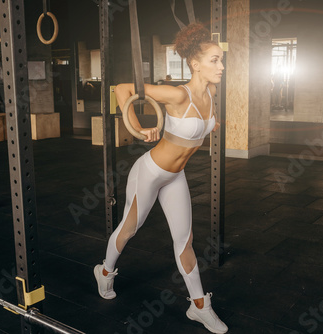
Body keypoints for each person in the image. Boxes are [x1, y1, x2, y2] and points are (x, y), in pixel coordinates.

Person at [93, 22, 228, 334]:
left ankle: (199, 307)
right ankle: (105, 270)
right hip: (150, 172)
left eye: (221, 60)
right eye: (214, 60)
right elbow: (123, 90)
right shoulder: (176, 95)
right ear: (195, 64)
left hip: (176, 176)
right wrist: (139, 129)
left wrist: (211, 125)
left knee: (185, 240)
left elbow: (202, 124)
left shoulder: (211, 91)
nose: (221, 66)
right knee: (129, 229)